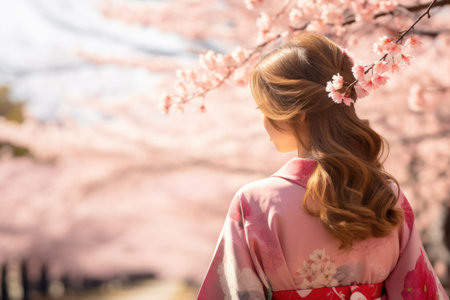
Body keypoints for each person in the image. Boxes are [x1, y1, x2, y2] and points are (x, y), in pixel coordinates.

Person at [196, 33, 448, 299]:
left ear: (299, 112)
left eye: (263, 109)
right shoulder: (385, 197)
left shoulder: (255, 203)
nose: (263, 121)